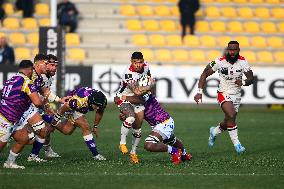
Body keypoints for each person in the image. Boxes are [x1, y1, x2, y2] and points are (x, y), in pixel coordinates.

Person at [194, 41, 254, 153]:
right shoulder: (219, 61)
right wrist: (199, 92)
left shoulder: (243, 61)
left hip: (236, 95)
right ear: (227, 49)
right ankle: (238, 145)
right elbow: (204, 73)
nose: (232, 52)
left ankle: (214, 131)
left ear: (238, 50)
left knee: (228, 121)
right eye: (230, 49)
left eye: (234, 50)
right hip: (223, 92)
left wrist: (243, 82)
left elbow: (251, 78)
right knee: (231, 115)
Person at [118, 76, 192, 165]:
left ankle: (175, 151)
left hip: (164, 122)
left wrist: (123, 97)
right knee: (172, 140)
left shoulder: (144, 94)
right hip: (160, 124)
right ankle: (184, 154)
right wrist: (125, 116)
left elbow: (138, 100)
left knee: (149, 145)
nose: (138, 89)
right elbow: (134, 114)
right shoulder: (136, 95)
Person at [0, 60, 43, 169]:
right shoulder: (27, 82)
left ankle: (9, 163)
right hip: (6, 118)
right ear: (29, 70)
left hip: (12, 117)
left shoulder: (11, 79)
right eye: (32, 70)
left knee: (23, 138)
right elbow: (37, 102)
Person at [114, 51, 152, 164]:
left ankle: (133, 152)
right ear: (131, 62)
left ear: (143, 61)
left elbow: (148, 77)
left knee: (138, 128)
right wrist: (149, 86)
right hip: (124, 97)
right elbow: (137, 91)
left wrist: (148, 84)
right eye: (135, 63)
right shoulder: (128, 74)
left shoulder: (146, 66)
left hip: (137, 99)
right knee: (131, 118)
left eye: (140, 62)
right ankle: (122, 144)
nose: (138, 65)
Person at [51, 87, 107, 161]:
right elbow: (64, 107)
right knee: (85, 126)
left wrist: (95, 126)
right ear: (91, 101)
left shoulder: (100, 100)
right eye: (96, 106)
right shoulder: (79, 101)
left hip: (80, 108)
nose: (97, 108)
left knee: (67, 130)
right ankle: (96, 154)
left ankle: (48, 118)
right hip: (69, 105)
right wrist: (55, 120)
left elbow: (100, 111)